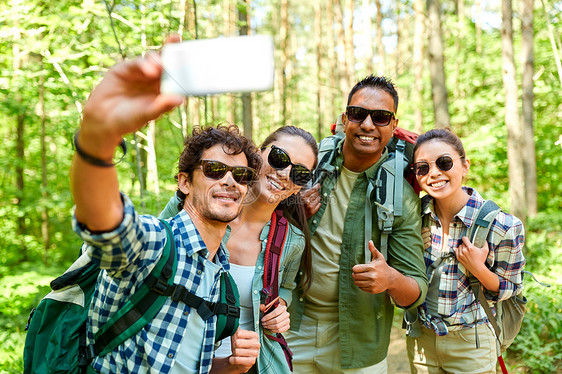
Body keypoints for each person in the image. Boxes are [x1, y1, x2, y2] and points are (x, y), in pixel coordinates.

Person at [71, 40, 261, 374]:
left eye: (242, 175)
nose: (230, 182)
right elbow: (105, 224)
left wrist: (229, 366)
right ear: (185, 182)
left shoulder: (222, 277)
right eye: (215, 170)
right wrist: (97, 139)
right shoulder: (156, 244)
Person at [285, 75, 429, 373]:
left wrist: (390, 279)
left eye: (380, 117)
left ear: (392, 125)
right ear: (344, 118)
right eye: (357, 113)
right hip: (290, 325)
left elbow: (416, 290)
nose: (367, 125)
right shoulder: (309, 166)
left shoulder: (399, 196)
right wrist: (292, 210)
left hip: (358, 341)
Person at [160, 125, 318, 373]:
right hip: (176, 358)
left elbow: (285, 287)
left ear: (300, 186)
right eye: (279, 158)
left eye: (299, 174)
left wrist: (281, 308)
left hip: (253, 364)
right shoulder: (195, 206)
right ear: (258, 154)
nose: (285, 173)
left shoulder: (291, 240)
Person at [405, 128, 526, 374]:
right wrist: (411, 247)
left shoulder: (503, 225)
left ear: (465, 166)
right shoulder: (412, 218)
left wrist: (478, 268)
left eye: (444, 162)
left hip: (472, 343)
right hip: (421, 341)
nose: (434, 173)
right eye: (423, 168)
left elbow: (510, 288)